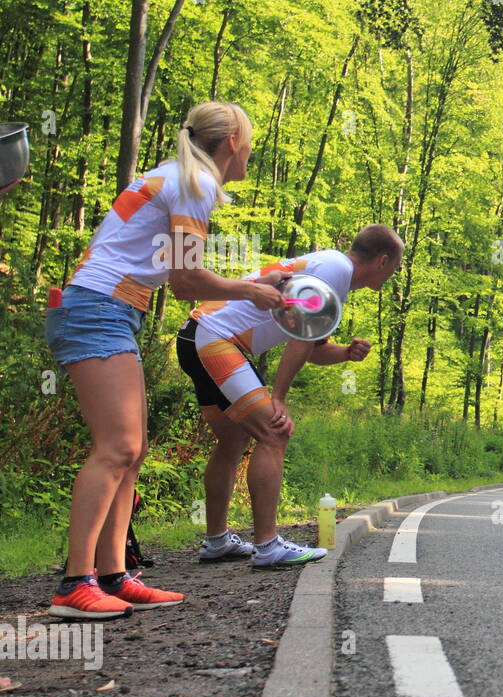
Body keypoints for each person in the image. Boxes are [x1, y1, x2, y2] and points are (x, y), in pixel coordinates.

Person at [44, 101, 284, 620]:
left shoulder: (179, 178)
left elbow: (184, 271)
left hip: (108, 309)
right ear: (231, 146)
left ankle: (113, 575)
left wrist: (251, 285)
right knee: (117, 448)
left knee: (132, 448)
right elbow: (186, 283)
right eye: (249, 145)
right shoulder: (193, 183)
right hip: (97, 309)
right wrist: (250, 290)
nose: (249, 156)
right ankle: (74, 583)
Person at [177, 225, 403, 568]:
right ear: (383, 260)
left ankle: (217, 540)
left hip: (197, 338)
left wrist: (345, 353)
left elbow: (311, 348)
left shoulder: (329, 271)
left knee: (234, 440)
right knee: (275, 431)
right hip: (216, 338)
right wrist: (278, 397)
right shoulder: (336, 269)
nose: (390, 277)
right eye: (394, 269)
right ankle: (267, 546)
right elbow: (300, 339)